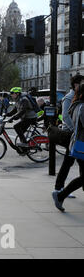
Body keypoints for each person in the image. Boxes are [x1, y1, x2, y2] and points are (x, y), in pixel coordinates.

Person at [52, 83, 84, 212]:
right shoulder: (82, 107)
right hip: (81, 144)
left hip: (78, 143)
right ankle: (61, 195)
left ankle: (60, 195)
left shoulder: (77, 105)